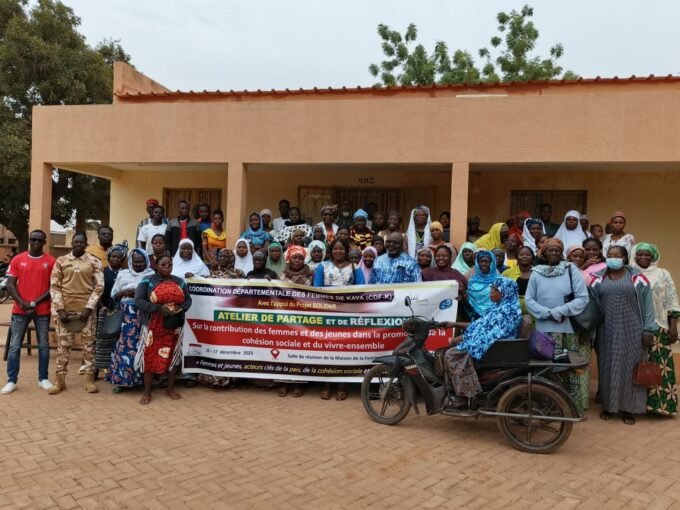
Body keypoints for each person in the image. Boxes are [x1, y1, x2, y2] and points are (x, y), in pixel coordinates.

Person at [590, 245, 658, 425]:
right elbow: (592, 306)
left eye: (617, 255)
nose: (613, 258)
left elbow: (648, 305)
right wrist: (591, 332)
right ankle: (608, 406)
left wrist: (649, 329)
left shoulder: (637, 278)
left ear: (624, 258)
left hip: (632, 330)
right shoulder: (598, 279)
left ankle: (629, 408)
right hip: (606, 331)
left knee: (630, 368)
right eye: (610, 255)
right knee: (607, 367)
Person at [525, 238, 590, 413]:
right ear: (544, 253)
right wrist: (548, 313)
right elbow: (529, 300)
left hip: (567, 328)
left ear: (561, 253)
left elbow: (582, 297)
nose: (553, 253)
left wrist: (560, 311)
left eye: (557, 250)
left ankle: (573, 408)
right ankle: (549, 408)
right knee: (546, 369)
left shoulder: (571, 269)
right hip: (543, 330)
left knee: (569, 369)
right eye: (550, 250)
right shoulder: (536, 272)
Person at [444, 277, 521, 405]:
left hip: (497, 347)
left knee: (451, 355)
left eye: (494, 290)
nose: (491, 293)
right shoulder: (498, 307)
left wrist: (464, 339)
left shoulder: (508, 311)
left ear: (504, 292)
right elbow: (479, 325)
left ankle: (466, 395)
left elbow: (492, 335)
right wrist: (454, 324)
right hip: (489, 343)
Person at [48, 232, 104, 395]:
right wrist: (60, 309)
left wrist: (88, 308)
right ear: (72, 243)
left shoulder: (94, 261)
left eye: (82, 242)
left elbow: (99, 286)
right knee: (63, 348)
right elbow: (55, 286)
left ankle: (89, 380)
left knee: (89, 347)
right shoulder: (61, 261)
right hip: (65, 311)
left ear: (86, 244)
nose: (79, 244)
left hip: (86, 312)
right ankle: (59, 381)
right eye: (76, 242)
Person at [1, 230, 56, 395]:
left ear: (44, 242)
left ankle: (43, 378)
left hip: (42, 310)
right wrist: (22, 303)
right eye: (33, 239)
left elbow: (53, 287)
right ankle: (11, 381)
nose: (36, 242)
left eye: (40, 240)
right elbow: (10, 284)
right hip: (20, 310)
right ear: (29, 241)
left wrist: (34, 303)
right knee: (14, 346)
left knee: (44, 346)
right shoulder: (18, 259)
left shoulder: (51, 261)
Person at [134, 253, 192, 405]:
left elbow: (188, 300)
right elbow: (138, 300)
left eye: (170, 265)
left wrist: (180, 308)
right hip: (152, 325)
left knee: (174, 356)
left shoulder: (179, 281)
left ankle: (170, 389)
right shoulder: (147, 281)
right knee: (149, 356)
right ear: (156, 265)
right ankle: (147, 392)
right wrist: (157, 308)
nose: (167, 267)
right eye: (163, 265)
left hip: (174, 325)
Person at [631, 243, 680, 416]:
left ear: (653, 257)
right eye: (640, 254)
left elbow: (672, 300)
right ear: (634, 256)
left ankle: (660, 406)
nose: (643, 257)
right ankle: (635, 404)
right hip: (634, 327)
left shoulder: (662, 274)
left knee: (660, 365)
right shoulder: (630, 273)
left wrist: (673, 327)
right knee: (636, 364)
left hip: (659, 326)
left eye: (647, 254)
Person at [313, 238, 364, 400]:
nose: (338, 251)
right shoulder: (322, 267)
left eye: (342, 248)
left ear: (347, 251)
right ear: (330, 251)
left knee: (344, 349)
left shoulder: (355, 268)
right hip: (327, 314)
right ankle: (326, 383)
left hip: (347, 315)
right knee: (327, 349)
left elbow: (362, 290)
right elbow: (316, 290)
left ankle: (342, 384)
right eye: (335, 248)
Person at [195, 250, 245, 390]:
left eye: (225, 256)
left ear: (231, 259)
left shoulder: (239, 274)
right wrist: (193, 278)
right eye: (220, 256)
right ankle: (215, 379)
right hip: (215, 317)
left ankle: (232, 379)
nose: (222, 258)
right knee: (217, 347)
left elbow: (245, 291)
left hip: (232, 317)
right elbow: (203, 285)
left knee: (231, 348)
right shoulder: (213, 273)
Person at [107, 249, 154, 392]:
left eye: (141, 262)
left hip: (144, 315)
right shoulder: (123, 274)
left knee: (143, 346)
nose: (138, 265)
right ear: (130, 262)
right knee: (124, 347)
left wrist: (139, 294)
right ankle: (123, 381)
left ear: (146, 261)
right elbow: (113, 295)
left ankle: (142, 381)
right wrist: (123, 293)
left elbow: (155, 295)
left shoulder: (151, 275)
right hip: (125, 316)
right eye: (135, 262)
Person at [94, 244, 126, 376]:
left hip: (119, 311)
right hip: (103, 310)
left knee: (116, 340)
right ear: (108, 257)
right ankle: (95, 369)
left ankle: (113, 369)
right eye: (113, 256)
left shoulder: (125, 273)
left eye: (119, 257)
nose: (116, 259)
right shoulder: (102, 272)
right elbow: (96, 291)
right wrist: (102, 306)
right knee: (100, 339)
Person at [502, 245, 534, 331]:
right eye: (521, 254)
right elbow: (501, 293)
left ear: (532, 257)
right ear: (516, 257)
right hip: (512, 313)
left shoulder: (538, 273)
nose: (524, 256)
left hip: (533, 313)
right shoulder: (507, 273)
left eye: (528, 254)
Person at [466, 250, 498, 319]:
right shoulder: (472, 281)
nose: (483, 264)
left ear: (492, 263)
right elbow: (469, 300)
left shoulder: (499, 280)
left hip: (495, 316)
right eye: (481, 261)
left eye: (486, 261)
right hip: (475, 316)